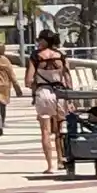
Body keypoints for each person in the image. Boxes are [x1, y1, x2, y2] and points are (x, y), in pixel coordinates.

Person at [28, 30, 71, 175]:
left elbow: (28, 81)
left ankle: (50, 166)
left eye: (39, 40)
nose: (38, 43)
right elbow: (67, 77)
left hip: (43, 93)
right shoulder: (61, 55)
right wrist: (70, 97)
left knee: (45, 131)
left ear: (45, 41)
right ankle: (61, 160)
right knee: (60, 129)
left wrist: (35, 85)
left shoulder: (36, 56)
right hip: (60, 93)